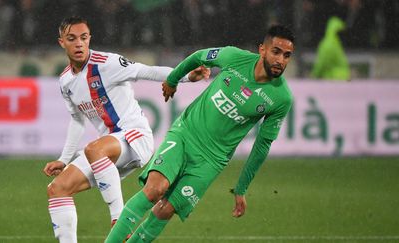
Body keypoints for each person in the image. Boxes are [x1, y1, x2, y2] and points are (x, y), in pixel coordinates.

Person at [106, 25, 295, 242]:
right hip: (186, 135)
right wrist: (172, 79)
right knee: (155, 190)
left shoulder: (282, 98)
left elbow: (262, 145)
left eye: (287, 55)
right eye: (276, 52)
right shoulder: (234, 57)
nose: (281, 60)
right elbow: (199, 57)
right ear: (262, 49)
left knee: (166, 210)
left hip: (211, 161)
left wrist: (241, 188)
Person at [42, 16, 209, 243]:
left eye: (83, 38)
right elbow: (77, 120)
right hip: (107, 148)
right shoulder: (65, 82)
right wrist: (64, 158)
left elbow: (146, 71)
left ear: (90, 38)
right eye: (72, 39)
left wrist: (187, 76)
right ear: (62, 42)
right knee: (57, 188)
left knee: (94, 149)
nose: (79, 44)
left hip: (135, 136)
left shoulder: (106, 63)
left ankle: (120, 221)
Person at [311, 16, 350, 81]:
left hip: (331, 79)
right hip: (339, 78)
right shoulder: (334, 44)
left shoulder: (329, 44)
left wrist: (315, 74)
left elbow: (322, 63)